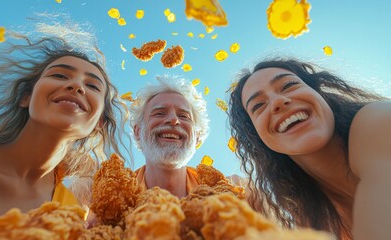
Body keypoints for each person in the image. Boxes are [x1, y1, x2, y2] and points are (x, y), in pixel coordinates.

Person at [0, 26, 128, 231]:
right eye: (59, 75)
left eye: (93, 86)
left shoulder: (71, 214)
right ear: (26, 97)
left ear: (98, 123)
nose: (77, 86)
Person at [228, 58, 391, 240]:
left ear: (319, 93)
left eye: (289, 85)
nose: (278, 102)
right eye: (258, 106)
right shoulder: (311, 218)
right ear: (257, 136)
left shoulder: (376, 121)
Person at [129, 76, 210, 198]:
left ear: (197, 136)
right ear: (137, 131)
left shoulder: (229, 191)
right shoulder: (109, 196)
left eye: (184, 116)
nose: (173, 120)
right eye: (159, 113)